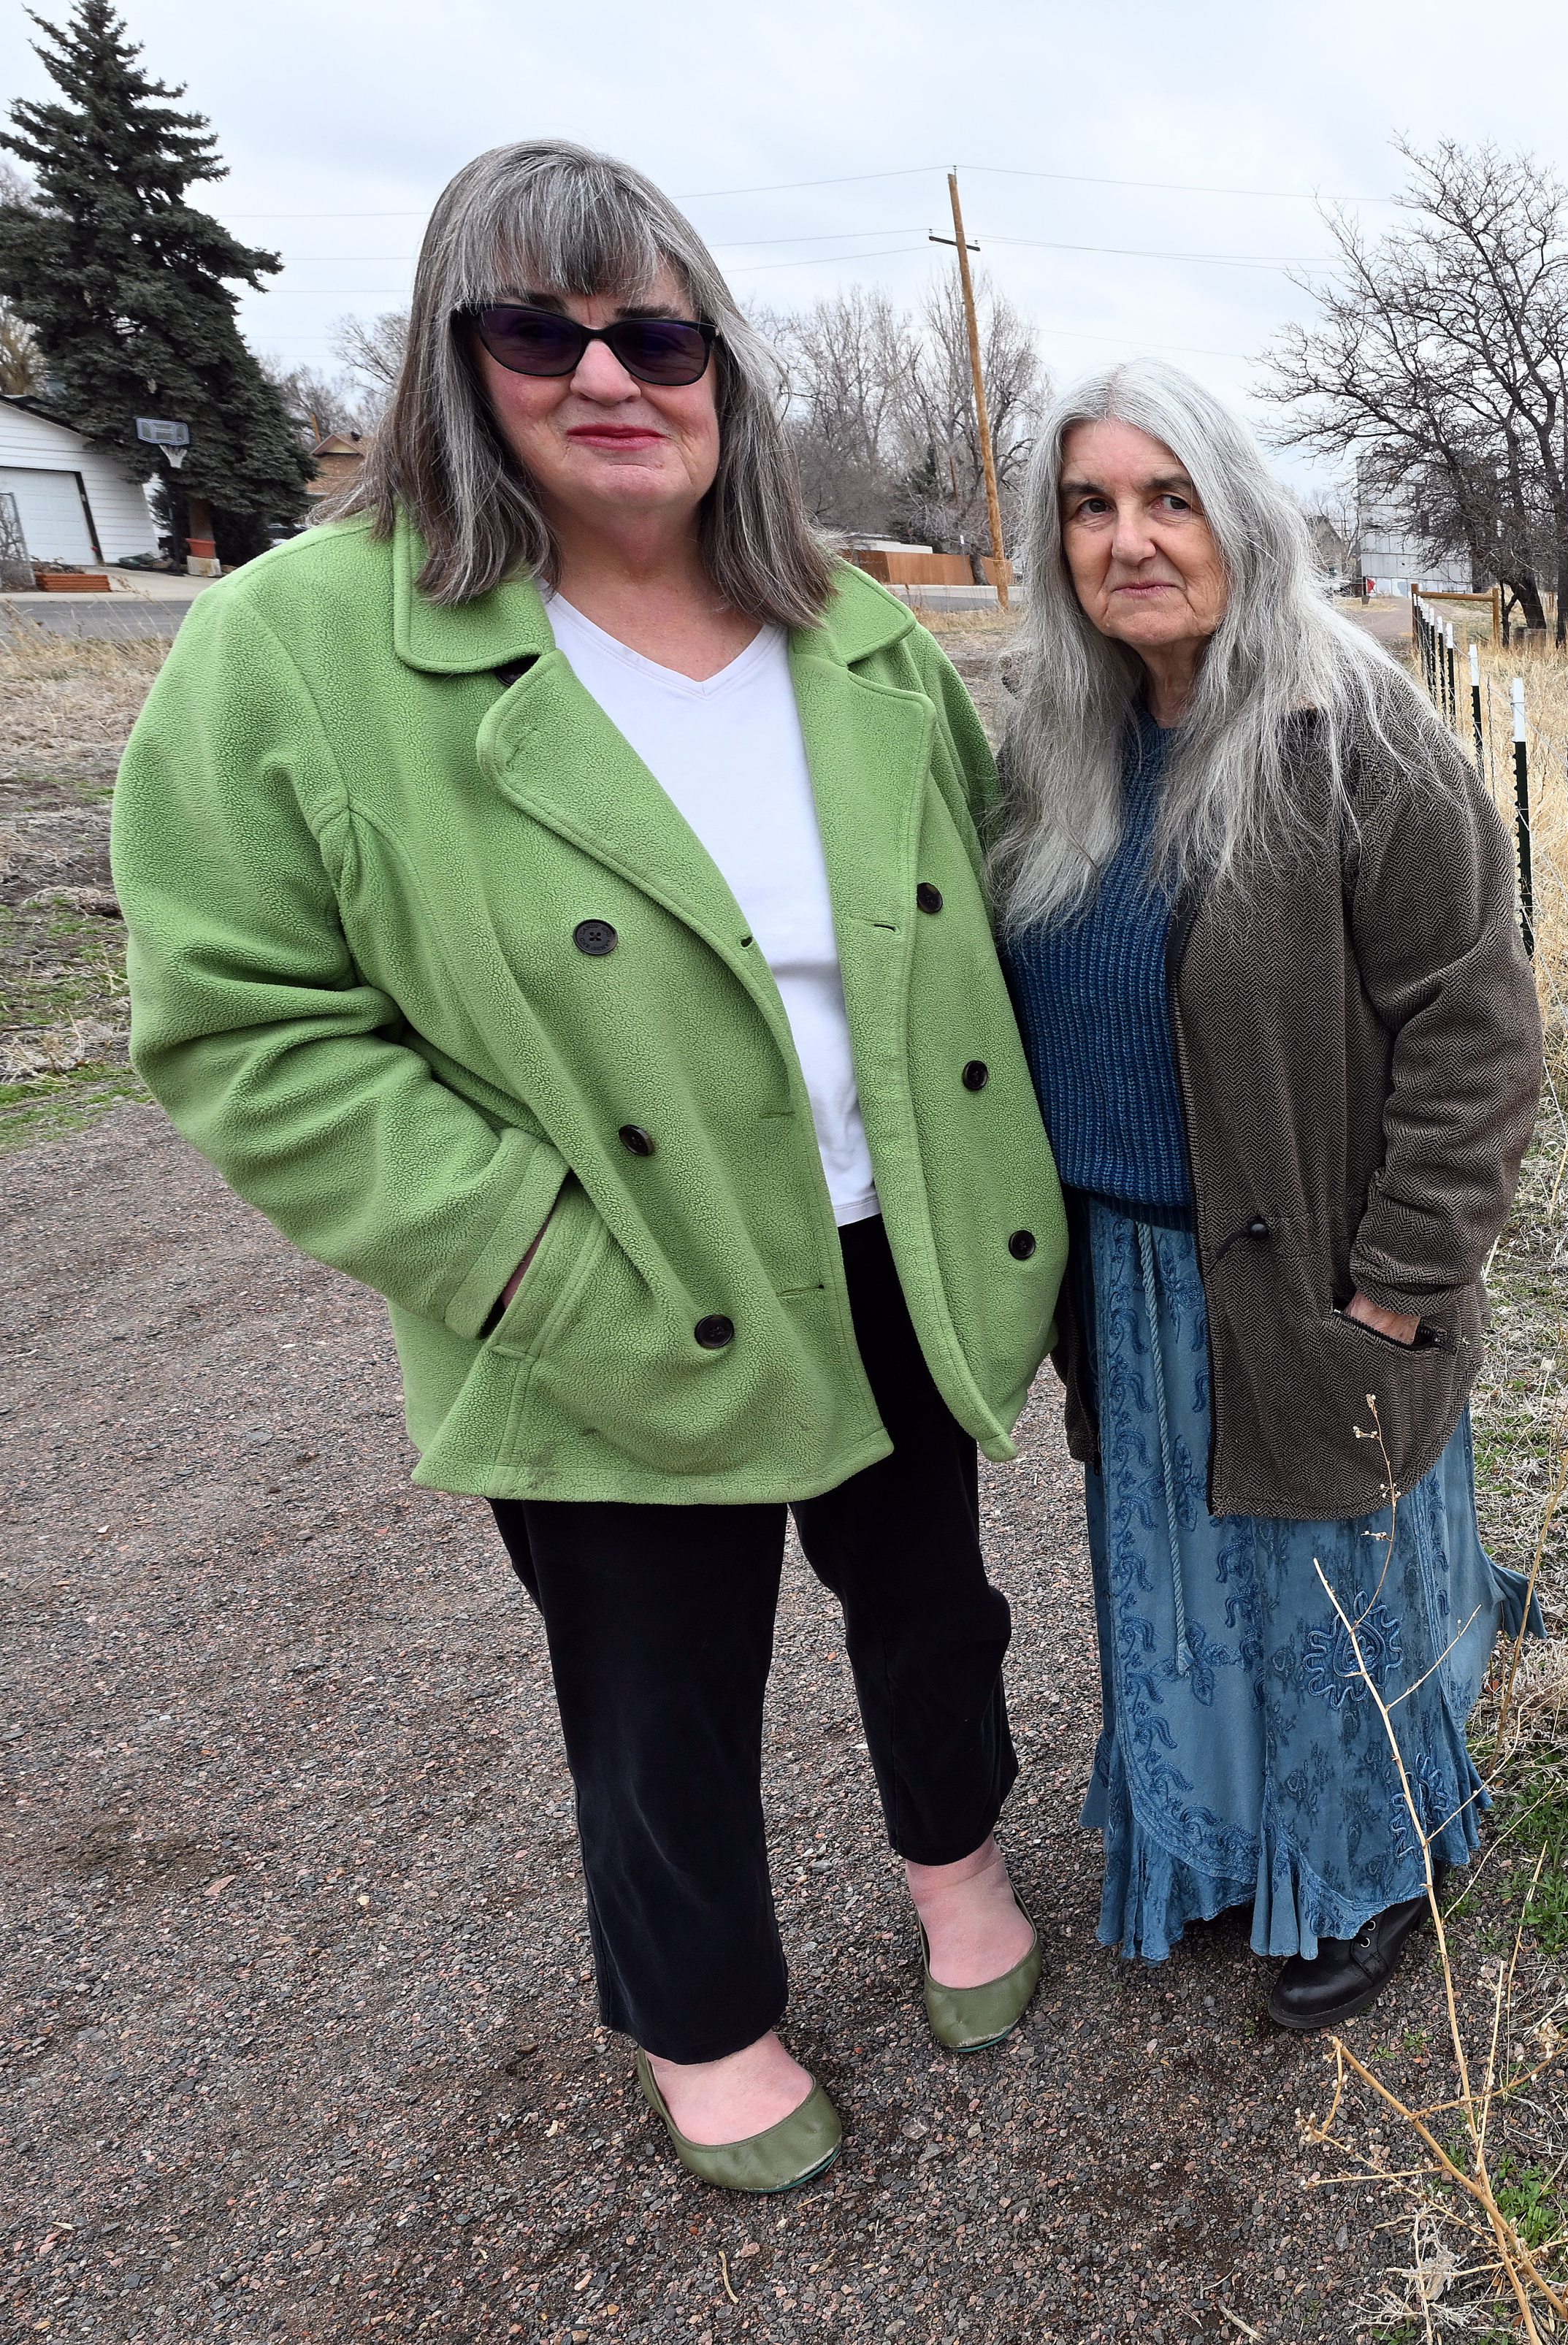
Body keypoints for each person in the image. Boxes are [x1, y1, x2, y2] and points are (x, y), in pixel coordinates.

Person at [111, 140, 1065, 2195]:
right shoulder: (297, 649)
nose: (610, 375)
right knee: (654, 1676)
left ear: (725, 369)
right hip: (608, 1270)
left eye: (659, 333)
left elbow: (977, 923)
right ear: (464, 363)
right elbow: (240, 1026)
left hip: (890, 1237)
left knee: (931, 1598)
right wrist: (523, 1253)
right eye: (542, 331)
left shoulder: (855, 637)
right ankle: (705, 2015)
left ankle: (960, 1868)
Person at [988, 364, 1540, 2029]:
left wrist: (1393, 1288)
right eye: (1091, 506)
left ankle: (1373, 1861)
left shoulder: (1353, 729)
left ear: (1242, 517)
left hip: (1310, 1264)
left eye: (1169, 500)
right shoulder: (1053, 743)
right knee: (1176, 1587)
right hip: (1129, 1275)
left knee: (1326, 1593)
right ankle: (1218, 1845)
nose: (1131, 540)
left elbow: (1476, 1031)